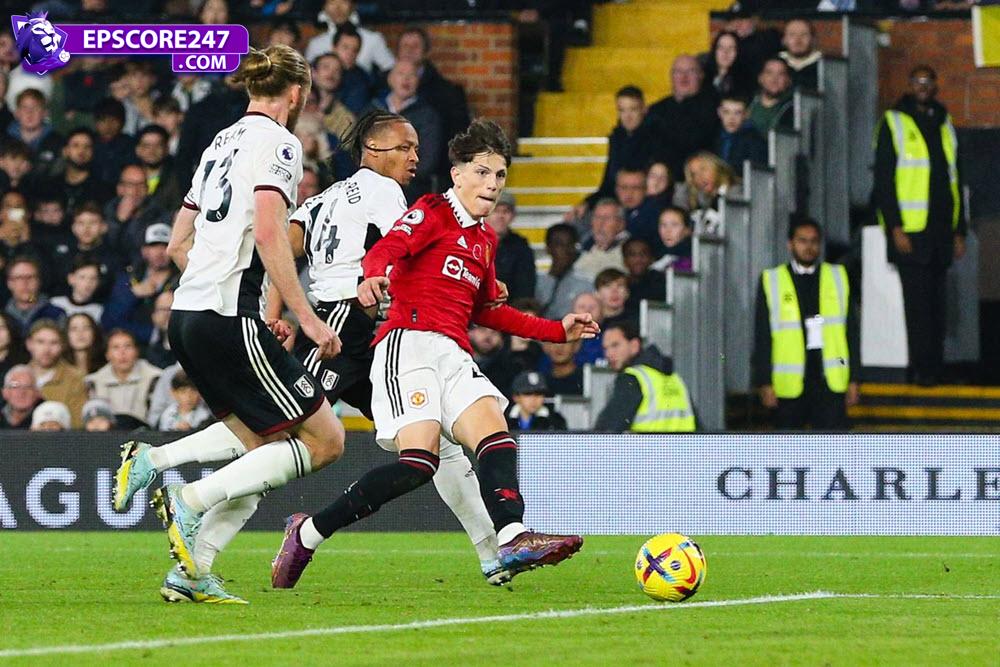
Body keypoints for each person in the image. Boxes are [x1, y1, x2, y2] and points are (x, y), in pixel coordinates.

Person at [271, 119, 599, 589]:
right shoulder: (431, 211)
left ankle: (512, 534)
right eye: (483, 173)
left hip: (453, 353)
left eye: (500, 176)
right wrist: (373, 275)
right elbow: (387, 246)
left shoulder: (485, 241)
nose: (492, 185)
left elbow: (489, 311)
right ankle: (307, 532)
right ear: (458, 174)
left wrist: (557, 329)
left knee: (496, 434)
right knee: (418, 465)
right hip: (408, 347)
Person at [112, 46, 345, 605]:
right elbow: (269, 233)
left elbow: (175, 245)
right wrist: (303, 316)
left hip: (187, 314)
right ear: (297, 94)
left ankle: (189, 565)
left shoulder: (220, 142)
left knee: (259, 444)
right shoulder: (282, 144)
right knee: (325, 440)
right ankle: (186, 501)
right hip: (225, 316)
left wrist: (224, 290)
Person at [873, 65, 966, 386]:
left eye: (929, 81)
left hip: (941, 230)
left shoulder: (945, 122)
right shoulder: (894, 122)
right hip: (910, 232)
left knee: (937, 306)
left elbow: (957, 179)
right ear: (909, 85)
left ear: (936, 84)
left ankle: (936, 368)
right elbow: (883, 181)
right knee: (918, 306)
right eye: (918, 82)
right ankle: (922, 370)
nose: (924, 87)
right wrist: (895, 228)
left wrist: (959, 231)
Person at [752, 217, 859, 429]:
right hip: (789, 384)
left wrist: (854, 378)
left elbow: (851, 333)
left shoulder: (838, 277)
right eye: (802, 241)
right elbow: (762, 335)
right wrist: (764, 382)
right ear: (790, 244)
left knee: (832, 451)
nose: (809, 247)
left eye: (814, 241)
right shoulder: (772, 280)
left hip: (830, 380)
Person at [594, 321, 695, 433]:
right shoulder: (675, 379)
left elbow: (606, 429)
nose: (608, 354)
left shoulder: (631, 379)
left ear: (634, 345)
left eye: (615, 345)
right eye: (605, 348)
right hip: (683, 449)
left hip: (646, 449)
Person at [370, 60, 443, 201]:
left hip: (411, 191)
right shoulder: (372, 110)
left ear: (418, 81)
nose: (406, 79)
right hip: (371, 189)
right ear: (390, 79)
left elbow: (428, 161)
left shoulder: (428, 116)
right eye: (401, 74)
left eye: (412, 75)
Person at [647, 55, 720, 182]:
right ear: (671, 76)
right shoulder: (656, 110)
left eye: (690, 71)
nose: (683, 77)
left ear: (701, 75)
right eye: (678, 72)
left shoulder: (714, 109)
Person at [85, 328, 161, 426]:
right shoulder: (93, 381)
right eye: (116, 347)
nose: (122, 353)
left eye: (128, 346)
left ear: (136, 351)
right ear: (107, 354)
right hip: (107, 436)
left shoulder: (155, 377)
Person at [303, 0, 395, 75]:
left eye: (343, 1)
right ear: (324, 7)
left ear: (353, 5)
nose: (337, 7)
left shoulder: (373, 39)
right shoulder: (316, 43)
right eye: (331, 2)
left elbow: (390, 68)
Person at [25, 319, 86, 429]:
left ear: (62, 346)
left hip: (61, 441)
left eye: (54, 343)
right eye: (40, 342)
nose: (46, 349)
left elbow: (78, 424)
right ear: (29, 344)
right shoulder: (17, 376)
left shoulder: (75, 378)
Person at [535, 223, 592, 320]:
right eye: (559, 244)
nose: (565, 249)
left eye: (570, 244)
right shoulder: (536, 281)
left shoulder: (586, 283)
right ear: (548, 248)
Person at [487, 191, 536, 301]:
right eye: (496, 211)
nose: (501, 216)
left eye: (506, 211)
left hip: (510, 308)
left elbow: (526, 287)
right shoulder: (470, 241)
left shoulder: (521, 247)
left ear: (513, 216)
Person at [4, 256, 65, 336]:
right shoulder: (3, 318)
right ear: (9, 283)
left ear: (39, 281)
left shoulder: (56, 315)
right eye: (19, 278)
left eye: (30, 277)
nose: (25, 283)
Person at [575, 198, 629, 279]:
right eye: (597, 217)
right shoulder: (584, 249)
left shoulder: (629, 253)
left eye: (607, 218)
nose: (600, 223)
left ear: (621, 224)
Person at [714, 95, 768, 172]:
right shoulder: (714, 135)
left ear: (746, 114)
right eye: (726, 112)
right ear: (719, 112)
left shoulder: (755, 142)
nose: (731, 118)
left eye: (737, 113)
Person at [622, 238, 666, 318]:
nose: (638, 260)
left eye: (643, 254)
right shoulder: (621, 284)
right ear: (625, 260)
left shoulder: (661, 282)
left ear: (651, 259)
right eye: (632, 255)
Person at [748, 58, 794, 133]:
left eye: (781, 74)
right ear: (760, 78)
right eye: (769, 73)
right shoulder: (748, 103)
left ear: (788, 81)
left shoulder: (792, 110)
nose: (774, 79)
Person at [779, 19, 822, 91]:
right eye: (792, 35)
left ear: (813, 39)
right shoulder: (775, 63)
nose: (798, 40)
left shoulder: (825, 65)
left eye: (804, 35)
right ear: (784, 40)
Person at [651, 206, 693, 272]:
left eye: (674, 225)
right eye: (663, 225)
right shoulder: (655, 254)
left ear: (687, 230)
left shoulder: (692, 258)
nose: (667, 231)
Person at [0, 364, 42, 429]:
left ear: (37, 392)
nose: (22, 392)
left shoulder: (47, 418)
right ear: (5, 392)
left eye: (28, 387)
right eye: (15, 387)